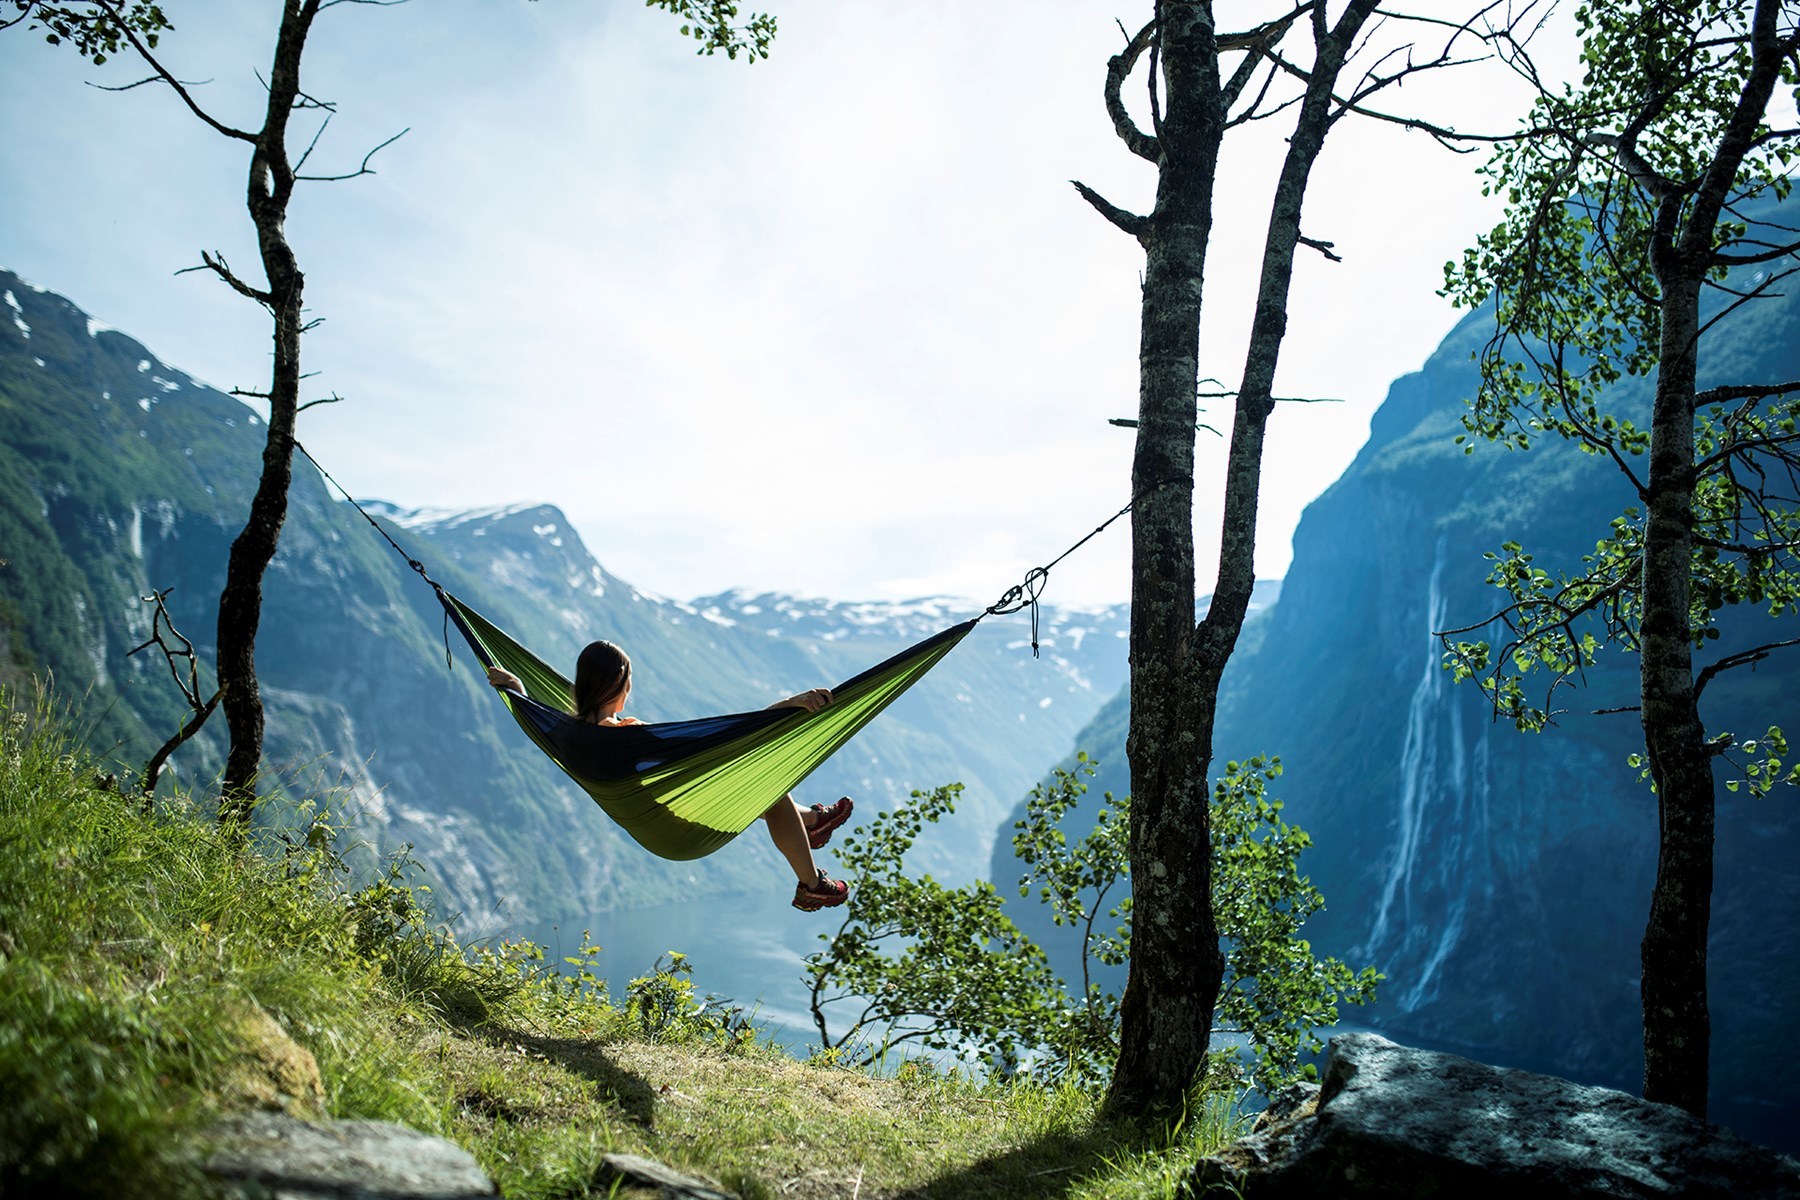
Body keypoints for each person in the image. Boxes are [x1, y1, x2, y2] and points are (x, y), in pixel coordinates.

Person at [486, 639, 855, 912]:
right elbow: (730, 738)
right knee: (767, 788)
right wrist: (788, 706)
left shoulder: (563, 731)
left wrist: (518, 691)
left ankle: (811, 821)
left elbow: (533, 711)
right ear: (621, 684)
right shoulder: (630, 736)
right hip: (676, 830)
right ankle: (811, 883)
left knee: (759, 791)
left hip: (651, 827)